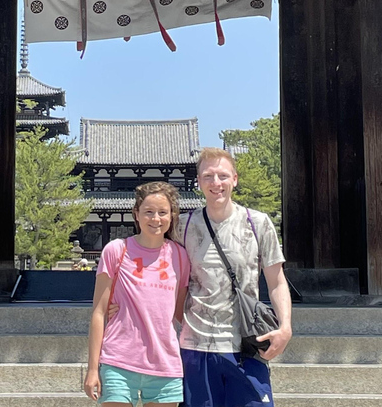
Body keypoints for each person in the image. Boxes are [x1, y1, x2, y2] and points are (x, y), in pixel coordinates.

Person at [174, 147, 292, 407]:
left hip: (246, 342)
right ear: (198, 182)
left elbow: (276, 281)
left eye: (223, 176)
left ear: (235, 179)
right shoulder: (182, 226)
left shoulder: (257, 223)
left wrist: (285, 327)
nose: (216, 183)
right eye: (208, 176)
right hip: (196, 344)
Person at [84, 181, 190, 407]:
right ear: (136, 214)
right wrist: (93, 368)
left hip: (165, 361)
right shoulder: (116, 250)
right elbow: (99, 312)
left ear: (172, 215)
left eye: (163, 212)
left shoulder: (179, 256)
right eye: (148, 212)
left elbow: (180, 313)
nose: (155, 219)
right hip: (118, 358)